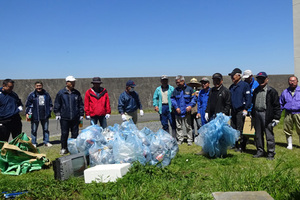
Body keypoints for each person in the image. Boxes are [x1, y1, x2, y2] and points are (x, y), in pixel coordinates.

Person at [252, 72, 281, 160]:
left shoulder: (272, 91)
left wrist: (276, 118)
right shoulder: (256, 90)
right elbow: (253, 103)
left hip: (267, 115)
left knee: (269, 135)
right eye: (259, 79)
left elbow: (276, 105)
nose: (261, 80)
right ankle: (260, 151)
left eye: (262, 79)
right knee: (258, 135)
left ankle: (271, 152)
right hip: (257, 114)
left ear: (267, 79)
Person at [54, 76, 84, 155]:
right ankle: (64, 148)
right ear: (67, 83)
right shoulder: (61, 93)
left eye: (74, 82)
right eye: (72, 82)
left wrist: (81, 114)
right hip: (64, 117)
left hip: (75, 116)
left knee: (75, 133)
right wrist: (57, 113)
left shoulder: (76, 93)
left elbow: (80, 104)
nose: (73, 84)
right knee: (64, 133)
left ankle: (74, 148)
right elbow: (57, 103)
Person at [228, 68, 252, 152]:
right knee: (233, 128)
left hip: (241, 110)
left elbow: (248, 98)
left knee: (240, 129)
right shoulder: (232, 87)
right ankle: (234, 144)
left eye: (233, 75)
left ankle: (242, 146)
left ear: (239, 75)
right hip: (233, 110)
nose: (232, 77)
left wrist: (246, 109)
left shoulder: (244, 85)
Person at [25, 81, 53, 147]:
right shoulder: (32, 95)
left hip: (45, 115)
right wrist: (27, 113)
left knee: (46, 129)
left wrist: (49, 111)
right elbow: (28, 105)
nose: (39, 87)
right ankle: (34, 143)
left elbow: (50, 103)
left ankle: (46, 141)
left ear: (42, 86)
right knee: (34, 130)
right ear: (35, 86)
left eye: (40, 86)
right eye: (37, 86)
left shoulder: (46, 94)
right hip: (35, 115)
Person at [171, 75, 196, 146]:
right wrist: (176, 107)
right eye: (176, 82)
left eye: (178, 82)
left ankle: (189, 140)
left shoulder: (189, 89)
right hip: (178, 112)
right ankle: (180, 139)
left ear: (183, 81)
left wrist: (190, 106)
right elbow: (172, 99)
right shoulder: (175, 90)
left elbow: (194, 98)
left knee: (188, 126)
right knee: (179, 127)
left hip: (187, 112)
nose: (177, 84)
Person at [279, 76, 300, 150]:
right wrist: (278, 114)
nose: (292, 82)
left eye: (294, 81)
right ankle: (289, 144)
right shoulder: (285, 92)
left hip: (298, 113)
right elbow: (281, 103)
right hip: (288, 113)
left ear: (297, 81)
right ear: (288, 82)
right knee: (287, 129)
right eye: (290, 81)